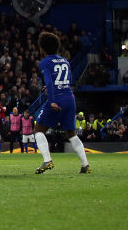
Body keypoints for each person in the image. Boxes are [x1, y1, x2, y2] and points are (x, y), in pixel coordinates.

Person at [34, 31, 91, 174]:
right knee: (71, 133)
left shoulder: (44, 62)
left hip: (57, 99)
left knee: (39, 131)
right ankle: (85, 165)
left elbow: (48, 80)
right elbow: (68, 81)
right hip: (69, 98)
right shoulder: (65, 61)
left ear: (42, 48)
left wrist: (52, 100)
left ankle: (47, 160)